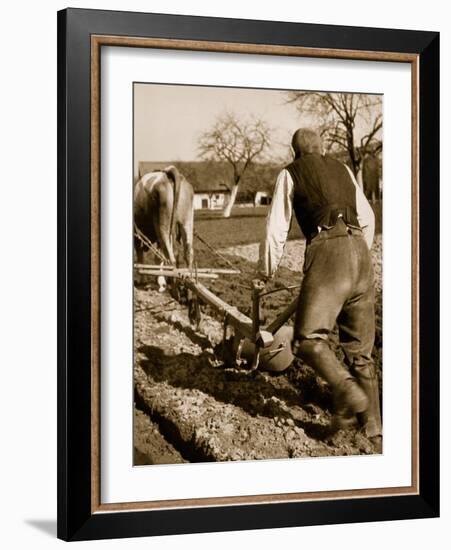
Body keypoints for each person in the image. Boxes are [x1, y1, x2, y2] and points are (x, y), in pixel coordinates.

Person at [255, 128, 382, 449]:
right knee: (361, 354)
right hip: (362, 256)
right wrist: (357, 254)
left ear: (294, 151)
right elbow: (367, 217)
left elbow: (276, 228)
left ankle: (348, 390)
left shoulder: (290, 173)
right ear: (322, 148)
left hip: (328, 251)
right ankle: (374, 431)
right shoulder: (343, 169)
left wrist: (266, 273)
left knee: (308, 340)